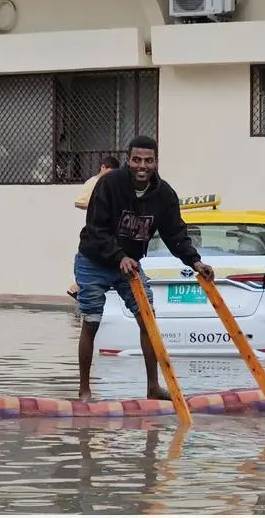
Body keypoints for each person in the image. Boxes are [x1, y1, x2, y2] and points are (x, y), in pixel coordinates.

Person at [73, 135, 214, 402]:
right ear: (128, 160)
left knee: (147, 320)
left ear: (156, 163)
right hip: (94, 260)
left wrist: (195, 262)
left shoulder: (164, 194)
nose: (142, 166)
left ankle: (152, 387)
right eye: (137, 160)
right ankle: (84, 390)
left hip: (129, 267)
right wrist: (118, 256)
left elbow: (175, 234)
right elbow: (95, 229)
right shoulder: (109, 185)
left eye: (149, 161)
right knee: (91, 321)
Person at [68, 156, 121, 298]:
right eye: (109, 171)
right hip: (94, 229)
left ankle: (78, 288)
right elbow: (79, 202)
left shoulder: (111, 183)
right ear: (103, 167)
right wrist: (97, 206)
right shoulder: (93, 182)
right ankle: (78, 287)